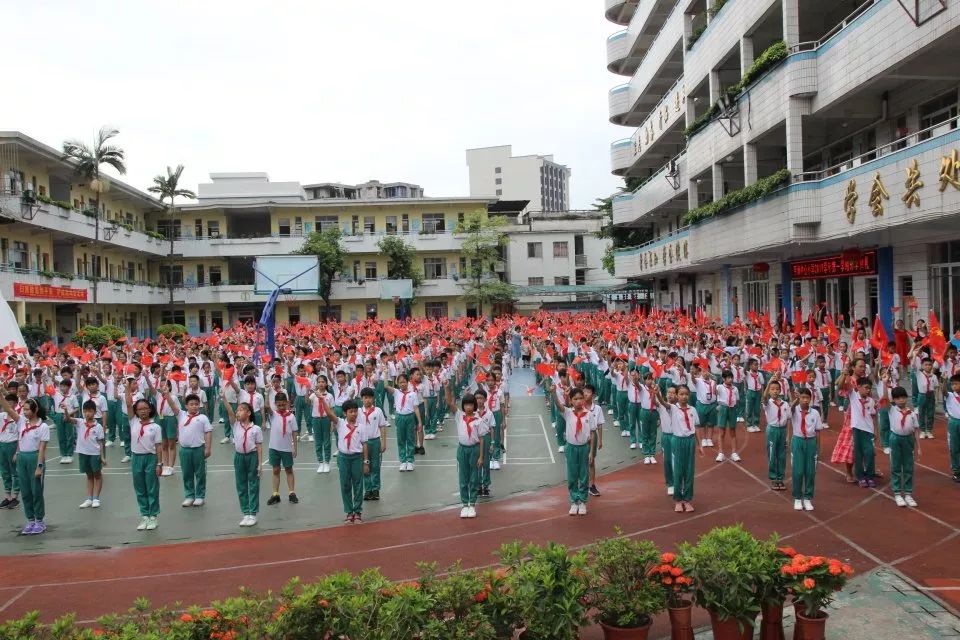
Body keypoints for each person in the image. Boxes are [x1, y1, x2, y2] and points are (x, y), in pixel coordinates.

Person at [0, 396, 49, 534]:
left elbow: (42, 448)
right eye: (24, 409)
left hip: (35, 458)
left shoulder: (42, 426)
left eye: (27, 410)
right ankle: (30, 520)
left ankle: (39, 520)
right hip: (22, 459)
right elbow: (8, 408)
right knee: (26, 492)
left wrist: (39, 466)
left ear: (35, 410)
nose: (24, 412)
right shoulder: (21, 421)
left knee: (36, 491)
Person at [445, 378, 484, 518]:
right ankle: (464, 504)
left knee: (474, 478)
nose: (468, 407)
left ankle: (472, 504)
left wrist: (481, 456)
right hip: (462, 449)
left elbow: (481, 439)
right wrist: (447, 388)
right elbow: (449, 402)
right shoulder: (459, 416)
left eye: (470, 405)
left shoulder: (479, 420)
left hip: (474, 449)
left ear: (474, 406)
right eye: (466, 405)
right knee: (463, 477)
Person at [125, 387, 163, 531]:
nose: (143, 411)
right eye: (140, 409)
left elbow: (159, 446)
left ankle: (153, 516)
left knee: (152, 487)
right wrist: (127, 388)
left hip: (151, 458)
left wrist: (160, 463)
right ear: (136, 411)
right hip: (136, 458)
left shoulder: (155, 427)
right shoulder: (133, 422)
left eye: (145, 408)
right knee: (140, 487)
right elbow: (128, 404)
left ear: (150, 409)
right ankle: (144, 515)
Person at [167, 392, 214, 507]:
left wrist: (207, 448)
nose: (194, 406)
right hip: (185, 450)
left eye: (196, 404)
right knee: (187, 473)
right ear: (186, 406)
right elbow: (172, 405)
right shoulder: (181, 415)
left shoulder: (202, 418)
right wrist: (166, 395)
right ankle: (189, 495)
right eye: (191, 404)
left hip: (198, 449)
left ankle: (199, 496)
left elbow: (208, 433)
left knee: (200, 473)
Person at [222, 398, 263, 527]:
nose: (237, 412)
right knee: (241, 485)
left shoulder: (256, 428)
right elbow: (229, 411)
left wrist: (260, 464)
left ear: (249, 413)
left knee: (253, 485)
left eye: (241, 410)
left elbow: (259, 446)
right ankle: (245, 513)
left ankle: (253, 513)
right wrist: (224, 398)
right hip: (239, 457)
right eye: (237, 410)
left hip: (252, 456)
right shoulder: (235, 425)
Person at [556, 386, 596, 516]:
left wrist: (591, 452)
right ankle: (574, 501)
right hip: (571, 447)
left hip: (584, 448)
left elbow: (593, 433)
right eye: (575, 399)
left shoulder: (589, 414)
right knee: (572, 475)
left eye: (580, 398)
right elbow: (559, 406)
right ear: (571, 401)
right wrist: (553, 394)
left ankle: (583, 501)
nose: (578, 401)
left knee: (584, 475)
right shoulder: (568, 413)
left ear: (584, 399)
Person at [670, 385, 704, 513]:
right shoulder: (673, 408)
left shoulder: (693, 410)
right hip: (678, 441)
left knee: (689, 471)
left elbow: (696, 429)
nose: (684, 397)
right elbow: (662, 403)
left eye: (686, 394)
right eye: (681, 394)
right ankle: (678, 500)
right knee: (678, 471)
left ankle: (687, 499)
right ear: (677, 395)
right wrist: (657, 393)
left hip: (690, 441)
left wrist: (700, 445)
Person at [790, 387, 822, 511]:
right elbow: (790, 410)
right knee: (798, 471)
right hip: (798, 441)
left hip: (811, 442)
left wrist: (818, 448)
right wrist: (795, 400)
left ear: (810, 399)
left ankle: (808, 498)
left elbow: (818, 431)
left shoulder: (815, 413)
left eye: (807, 398)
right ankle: (797, 498)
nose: (805, 400)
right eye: (802, 398)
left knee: (810, 472)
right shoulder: (795, 410)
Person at [888, 386, 920, 507]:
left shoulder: (912, 413)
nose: (901, 400)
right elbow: (885, 399)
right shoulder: (892, 410)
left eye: (903, 397)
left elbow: (916, 430)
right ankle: (897, 493)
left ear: (907, 398)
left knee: (908, 467)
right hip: (895, 439)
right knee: (896, 465)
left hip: (908, 440)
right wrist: (885, 384)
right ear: (894, 400)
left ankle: (908, 493)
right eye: (898, 398)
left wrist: (919, 446)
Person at [264, 392, 299, 505]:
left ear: (287, 403)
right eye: (279, 405)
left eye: (283, 405)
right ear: (275, 404)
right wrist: (266, 393)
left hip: (287, 448)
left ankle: (291, 493)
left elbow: (294, 432)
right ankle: (275, 494)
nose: (281, 407)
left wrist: (295, 448)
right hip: (274, 447)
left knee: (289, 469)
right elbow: (266, 407)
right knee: (275, 470)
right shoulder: (273, 414)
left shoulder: (291, 417)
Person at [72, 400, 106, 509]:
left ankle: (96, 498)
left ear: (94, 412)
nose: (87, 414)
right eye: (85, 411)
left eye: (90, 411)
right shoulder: (80, 422)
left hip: (94, 454)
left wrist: (102, 457)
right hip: (83, 453)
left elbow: (101, 442)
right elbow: (68, 419)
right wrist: (65, 411)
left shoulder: (98, 426)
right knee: (89, 476)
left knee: (97, 475)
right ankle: (89, 498)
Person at [385, 374, 421, 472]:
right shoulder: (396, 392)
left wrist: (419, 422)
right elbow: (386, 386)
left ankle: (410, 460)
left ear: (407, 382)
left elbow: (416, 408)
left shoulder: (412, 394)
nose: (402, 384)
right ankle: (403, 461)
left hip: (410, 417)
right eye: (400, 382)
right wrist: (385, 373)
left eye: (404, 382)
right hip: (399, 417)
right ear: (397, 383)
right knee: (401, 439)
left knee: (410, 439)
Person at [356, 387, 388, 501]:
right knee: (365, 466)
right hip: (363, 443)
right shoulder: (358, 412)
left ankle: (375, 489)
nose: (367, 400)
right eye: (365, 398)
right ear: (361, 399)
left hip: (375, 441)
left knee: (375, 466)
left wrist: (383, 442)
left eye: (370, 398)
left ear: (373, 399)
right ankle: (367, 490)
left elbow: (382, 427)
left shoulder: (378, 411)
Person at [849, 376, 878, 487]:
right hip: (857, 429)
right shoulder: (853, 396)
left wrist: (875, 430)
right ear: (859, 387)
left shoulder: (871, 401)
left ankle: (870, 476)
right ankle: (860, 477)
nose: (868, 390)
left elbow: (874, 417)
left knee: (870, 453)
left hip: (868, 431)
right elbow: (847, 386)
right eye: (866, 388)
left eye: (869, 388)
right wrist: (846, 373)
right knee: (858, 454)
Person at [763, 378, 790, 491]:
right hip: (772, 430)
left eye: (777, 389)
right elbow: (764, 398)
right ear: (769, 390)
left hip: (782, 430)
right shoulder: (768, 403)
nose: (775, 391)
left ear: (780, 390)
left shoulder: (785, 404)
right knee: (772, 454)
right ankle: (774, 478)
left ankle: (780, 478)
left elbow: (788, 419)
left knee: (782, 455)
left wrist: (788, 435)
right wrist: (769, 383)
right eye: (772, 389)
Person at [308, 375, 335, 474]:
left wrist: (332, 422)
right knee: (318, 442)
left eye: (323, 382)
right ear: (316, 384)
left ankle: (327, 462)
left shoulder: (329, 396)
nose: (321, 384)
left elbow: (332, 410)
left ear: (326, 383)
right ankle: (320, 462)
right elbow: (307, 402)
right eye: (319, 382)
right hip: (316, 419)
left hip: (326, 419)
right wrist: (307, 390)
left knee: (327, 441)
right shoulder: (313, 395)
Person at [655, 384, 677, 495]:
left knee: (678, 461)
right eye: (669, 392)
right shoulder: (661, 405)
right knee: (667, 461)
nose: (670, 395)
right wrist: (656, 392)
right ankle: (670, 484)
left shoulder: (678, 407)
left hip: (677, 436)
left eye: (673, 393)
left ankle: (679, 482)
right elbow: (657, 401)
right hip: (666, 437)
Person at [583, 383, 605, 497]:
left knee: (591, 461)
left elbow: (600, 425)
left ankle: (592, 485)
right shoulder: (579, 406)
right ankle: (582, 484)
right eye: (584, 391)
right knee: (582, 461)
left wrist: (600, 440)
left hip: (593, 435)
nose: (585, 393)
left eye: (588, 392)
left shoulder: (597, 409)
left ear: (593, 395)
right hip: (581, 435)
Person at [0, 392, 20, 510]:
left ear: (15, 404)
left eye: (10, 402)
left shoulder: (18, 417)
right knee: (4, 471)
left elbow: (20, 436)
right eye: (6, 402)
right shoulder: (1, 416)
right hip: (2, 445)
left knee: (15, 472)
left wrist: (17, 451)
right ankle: (7, 497)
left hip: (13, 445)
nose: (7, 404)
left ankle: (15, 497)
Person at [715, 370, 740, 463]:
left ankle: (734, 453)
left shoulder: (735, 389)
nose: (730, 379)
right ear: (723, 379)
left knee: (733, 431)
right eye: (728, 378)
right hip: (723, 408)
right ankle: (721, 453)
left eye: (731, 377)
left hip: (732, 409)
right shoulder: (719, 387)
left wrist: (734, 407)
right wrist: (714, 381)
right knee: (722, 431)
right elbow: (715, 392)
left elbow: (737, 400)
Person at [945, 374, 960, 482]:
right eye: (952, 384)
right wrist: (944, 379)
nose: (954, 386)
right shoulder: (950, 395)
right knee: (954, 448)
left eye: (956, 384)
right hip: (954, 423)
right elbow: (943, 391)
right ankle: (956, 471)